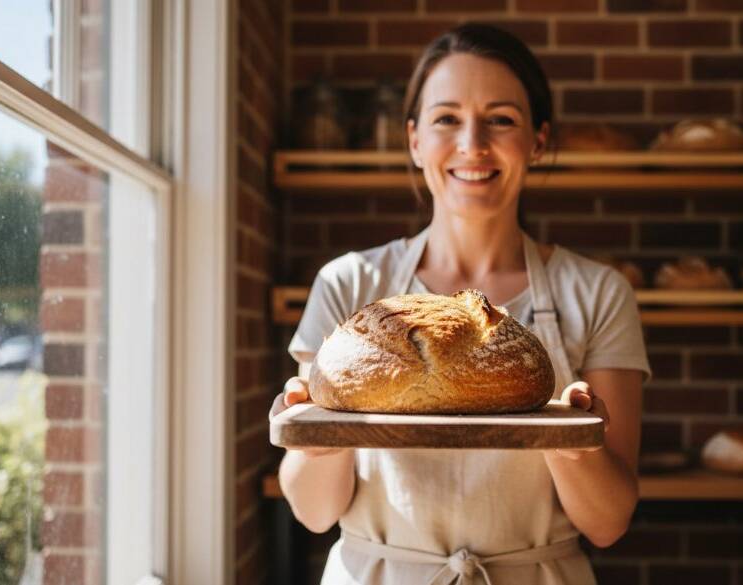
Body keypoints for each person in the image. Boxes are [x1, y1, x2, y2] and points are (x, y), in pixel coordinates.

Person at [269, 23, 650, 585]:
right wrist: (318, 443)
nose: (473, 144)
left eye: (501, 119)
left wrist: (569, 441)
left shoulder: (596, 292)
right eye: (446, 118)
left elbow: (608, 522)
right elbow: (313, 511)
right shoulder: (349, 286)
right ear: (415, 140)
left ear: (538, 141)